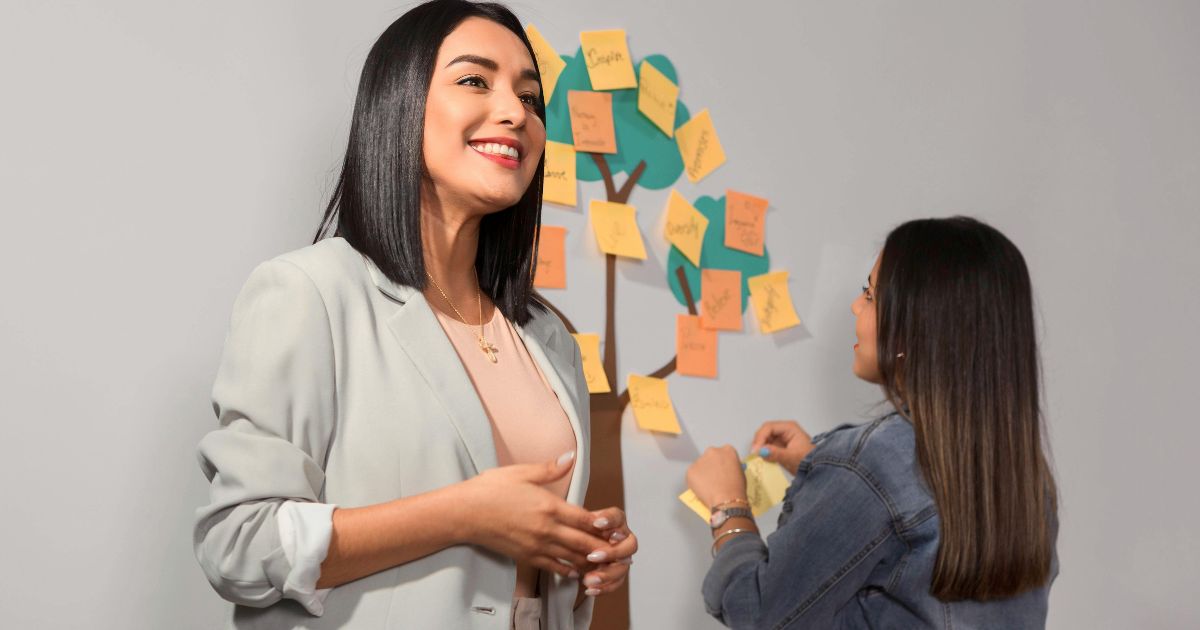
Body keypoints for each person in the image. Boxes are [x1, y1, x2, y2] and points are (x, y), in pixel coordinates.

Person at [193, 2, 636, 628]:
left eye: (531, 98)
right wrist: (464, 514)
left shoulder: (548, 337)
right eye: (475, 80)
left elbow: (519, 571)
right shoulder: (310, 293)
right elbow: (239, 544)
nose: (515, 112)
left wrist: (581, 552)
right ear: (399, 106)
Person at [687, 217, 1058, 629]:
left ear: (912, 329)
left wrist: (728, 507)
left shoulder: (870, 464)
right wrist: (822, 467)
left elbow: (758, 613)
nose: (854, 306)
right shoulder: (1025, 476)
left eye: (870, 294)